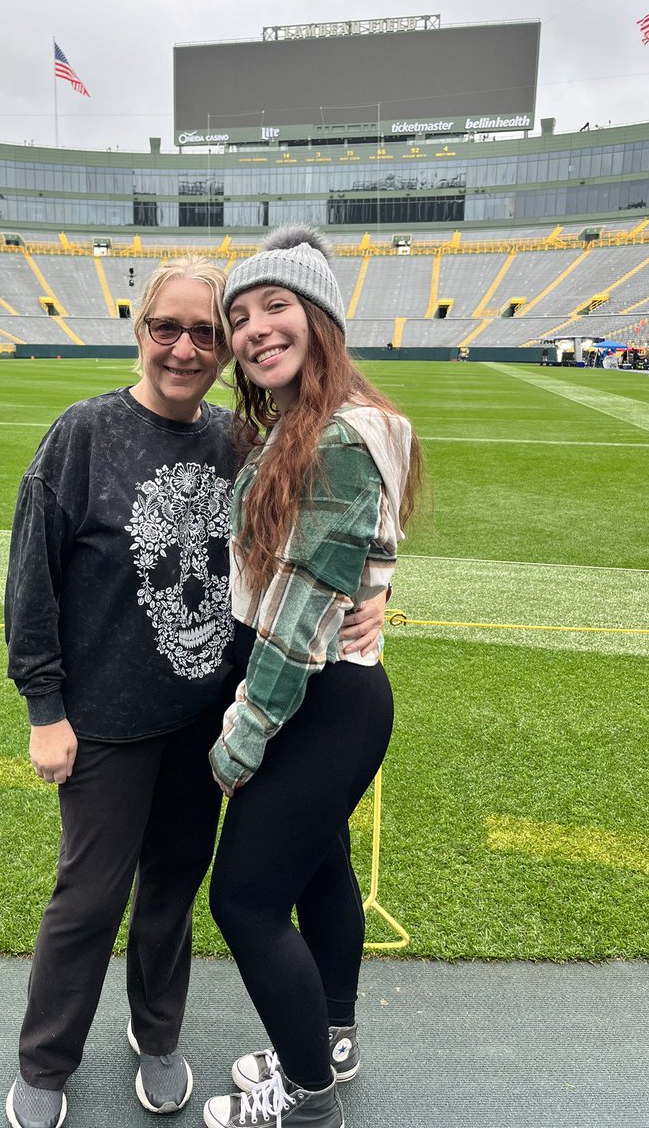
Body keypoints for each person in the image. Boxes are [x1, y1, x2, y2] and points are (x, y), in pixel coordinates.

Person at [3, 254, 385, 1128]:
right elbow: (33, 582)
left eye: (204, 334)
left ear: (223, 353)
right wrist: (45, 709)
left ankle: (158, 1033)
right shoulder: (83, 433)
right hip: (102, 722)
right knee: (90, 897)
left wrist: (379, 589)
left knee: (173, 884)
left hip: (201, 718)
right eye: (165, 329)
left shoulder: (236, 440)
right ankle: (47, 1058)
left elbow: (332, 524)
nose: (184, 348)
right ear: (140, 333)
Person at [202, 226, 423, 1128]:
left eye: (275, 306)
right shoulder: (331, 422)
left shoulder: (332, 434)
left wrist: (243, 736)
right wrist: (375, 600)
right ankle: (328, 1037)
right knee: (321, 869)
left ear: (321, 317)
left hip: (315, 698)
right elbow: (356, 560)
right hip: (341, 689)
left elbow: (296, 620)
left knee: (244, 899)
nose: (253, 330)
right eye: (240, 315)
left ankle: (305, 1094)